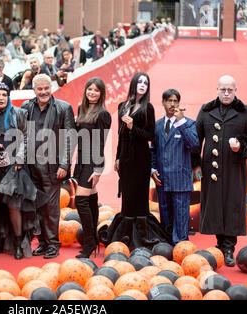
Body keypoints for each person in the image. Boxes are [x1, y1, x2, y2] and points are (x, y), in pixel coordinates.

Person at [193, 75, 247, 266]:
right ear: (217, 90)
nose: (226, 93)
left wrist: (242, 146)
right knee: (214, 205)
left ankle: (229, 247)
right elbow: (196, 139)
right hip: (210, 168)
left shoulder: (245, 111)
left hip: (234, 167)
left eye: (230, 90)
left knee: (232, 205)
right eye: (223, 89)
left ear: (235, 90)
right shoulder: (206, 110)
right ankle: (219, 243)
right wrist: (196, 164)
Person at [105, 72, 172, 250]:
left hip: (141, 159)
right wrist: (118, 157)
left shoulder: (148, 108)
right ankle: (125, 234)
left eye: (146, 83)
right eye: (140, 82)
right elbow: (120, 136)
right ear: (133, 84)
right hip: (126, 159)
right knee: (127, 197)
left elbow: (150, 136)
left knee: (140, 197)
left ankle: (142, 236)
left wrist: (132, 127)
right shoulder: (122, 106)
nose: (142, 85)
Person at [21, 74, 76, 259]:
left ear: (51, 88)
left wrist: (64, 164)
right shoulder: (26, 107)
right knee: (37, 206)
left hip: (53, 166)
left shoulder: (63, 108)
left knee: (51, 207)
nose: (43, 92)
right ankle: (43, 242)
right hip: (30, 166)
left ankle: (53, 244)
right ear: (34, 89)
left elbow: (70, 138)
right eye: (39, 89)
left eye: (46, 88)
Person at [0, 82, 38, 260]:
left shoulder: (19, 113)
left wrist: (20, 158)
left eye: (4, 95)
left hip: (14, 165)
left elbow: (28, 137)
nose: (0, 98)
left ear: (8, 97)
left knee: (14, 206)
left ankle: (18, 243)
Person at [150, 89, 199, 245]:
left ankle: (180, 247)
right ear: (163, 103)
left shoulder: (189, 123)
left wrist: (181, 122)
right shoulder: (157, 125)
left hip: (180, 180)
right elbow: (153, 150)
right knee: (165, 216)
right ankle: (165, 246)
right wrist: (152, 170)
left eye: (175, 101)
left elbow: (194, 143)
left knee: (181, 217)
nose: (172, 104)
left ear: (179, 103)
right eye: (169, 101)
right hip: (162, 180)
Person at [73, 78, 112, 258]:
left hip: (92, 160)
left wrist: (97, 170)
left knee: (80, 200)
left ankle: (89, 242)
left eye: (96, 90)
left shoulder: (103, 114)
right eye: (90, 89)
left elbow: (101, 143)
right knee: (90, 199)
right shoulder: (82, 109)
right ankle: (93, 240)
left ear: (101, 93)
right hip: (81, 159)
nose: (92, 93)